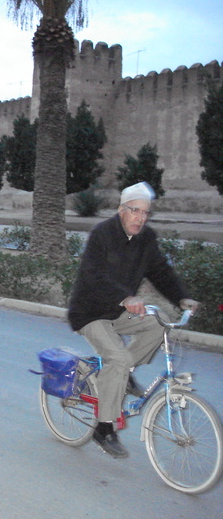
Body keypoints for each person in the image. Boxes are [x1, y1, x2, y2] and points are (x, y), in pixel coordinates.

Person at [68, 182, 199, 459]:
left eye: (145, 213)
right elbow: (94, 276)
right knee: (117, 358)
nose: (140, 218)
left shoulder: (146, 238)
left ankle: (122, 374)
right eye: (134, 211)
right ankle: (104, 428)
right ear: (121, 210)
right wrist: (126, 297)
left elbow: (160, 271)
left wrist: (181, 298)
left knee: (159, 322)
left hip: (117, 312)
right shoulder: (102, 234)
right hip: (90, 312)